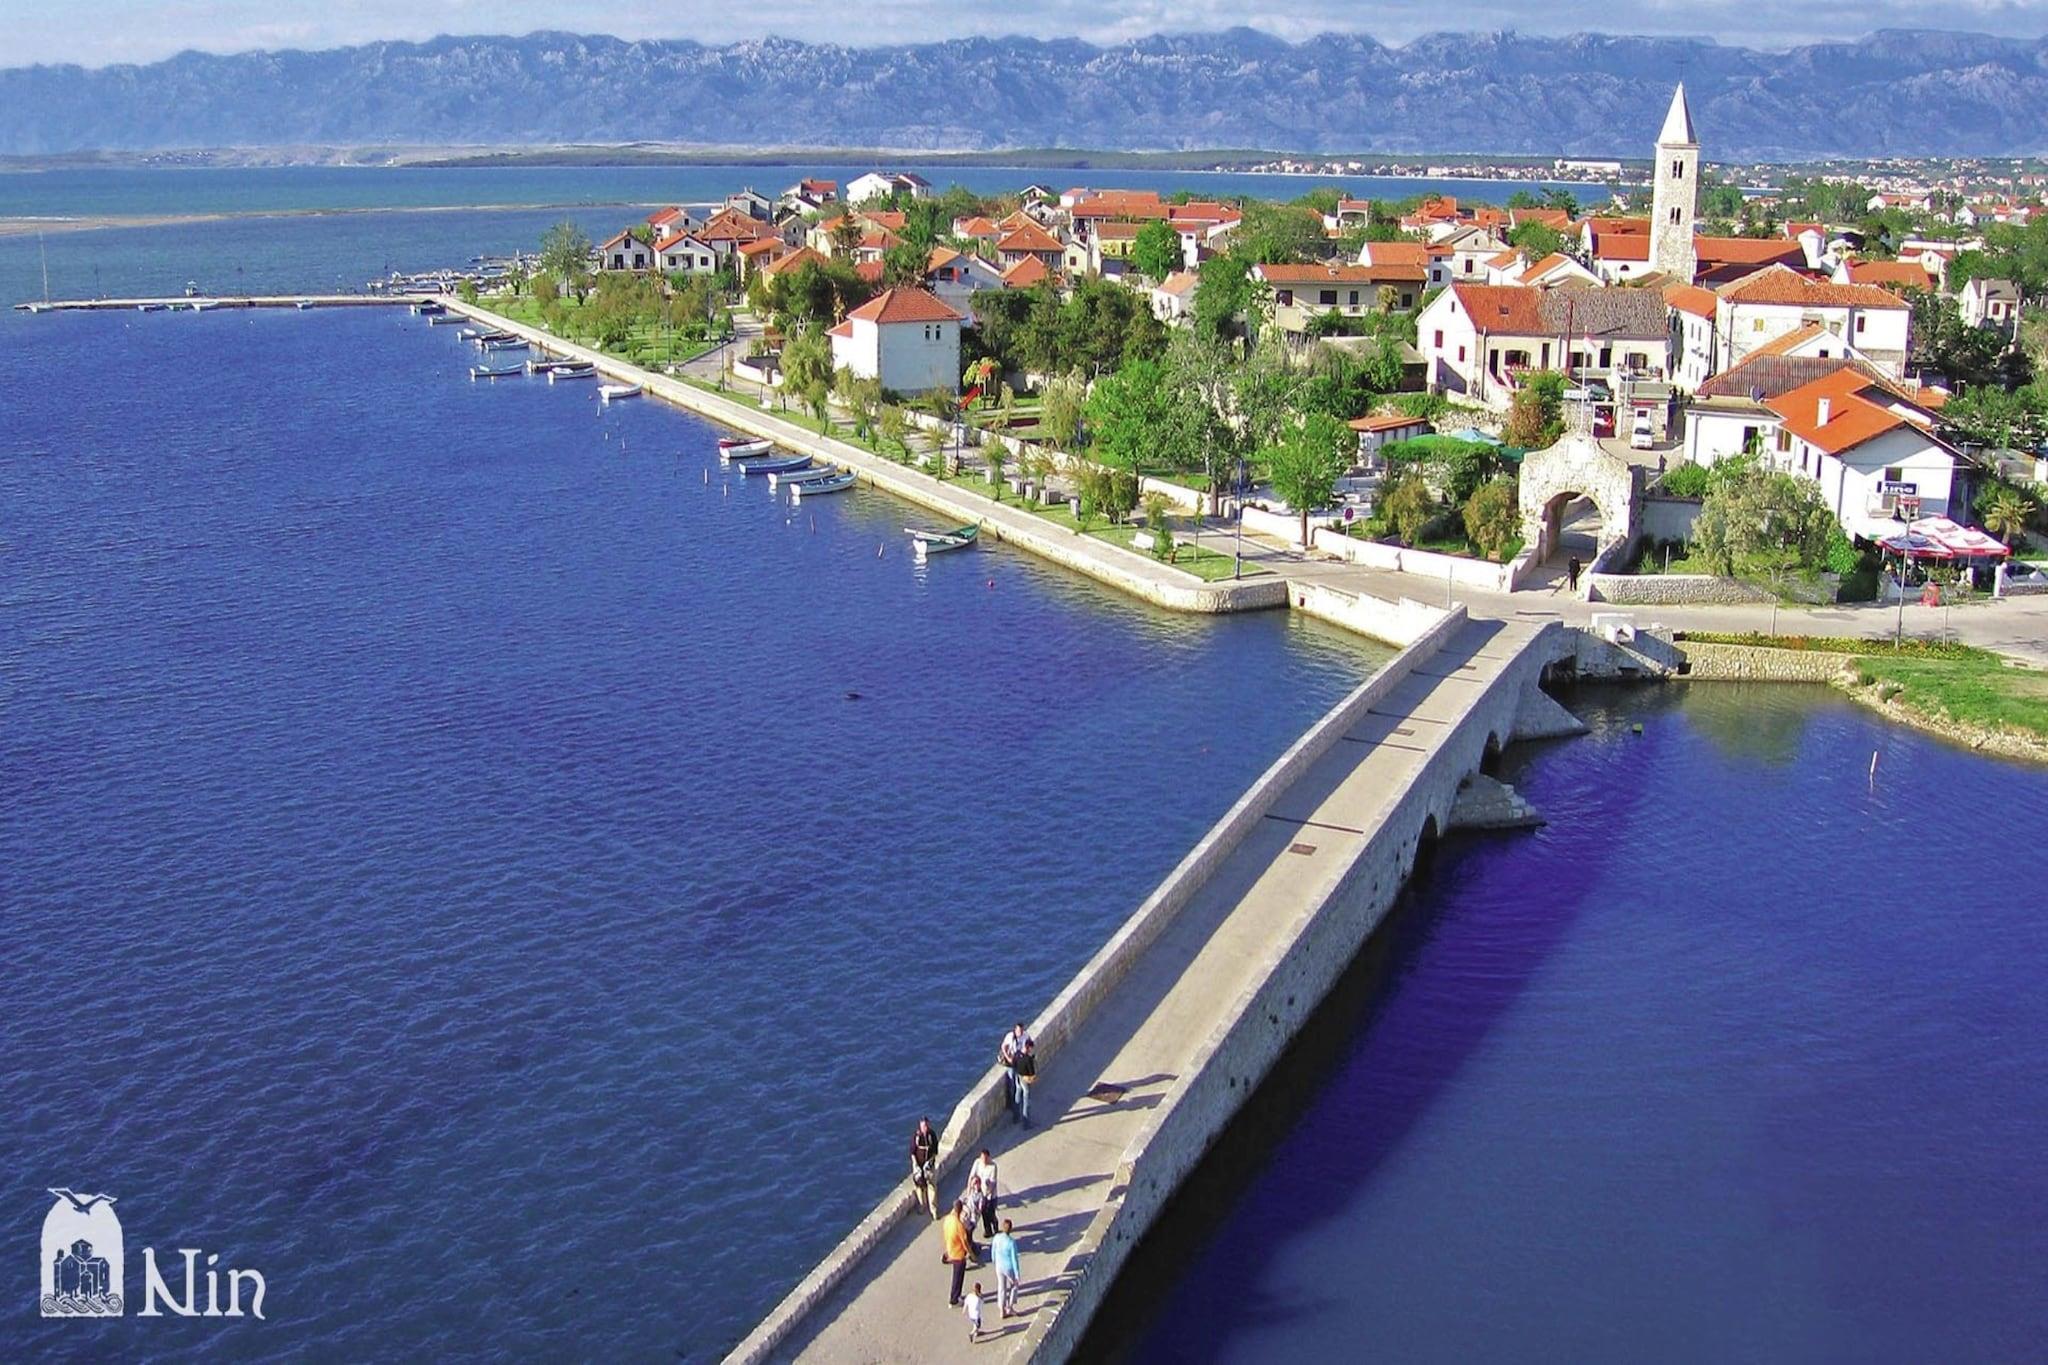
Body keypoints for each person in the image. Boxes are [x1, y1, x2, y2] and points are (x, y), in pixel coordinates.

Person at [940, 1200, 972, 1306]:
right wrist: (971, 1254)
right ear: (961, 1210)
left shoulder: (948, 1219)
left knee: (956, 1277)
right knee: (958, 1278)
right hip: (959, 1254)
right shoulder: (959, 1225)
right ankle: (954, 1299)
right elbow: (965, 1242)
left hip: (951, 1250)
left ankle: (956, 1296)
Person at [909, 1117, 940, 1220]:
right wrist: (916, 1165)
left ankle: (933, 1209)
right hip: (918, 1165)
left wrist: (930, 1162)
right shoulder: (916, 1136)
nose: (925, 1128)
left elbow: (935, 1151)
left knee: (932, 1186)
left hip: (929, 1165)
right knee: (919, 1186)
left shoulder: (932, 1135)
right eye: (923, 1126)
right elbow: (912, 1152)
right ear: (920, 1126)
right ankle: (922, 1205)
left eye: (926, 1126)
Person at [998, 1022, 1031, 1113]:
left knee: (1018, 1086)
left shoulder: (1025, 1036)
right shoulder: (1010, 1036)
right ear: (1015, 1030)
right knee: (1012, 1082)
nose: (1020, 1032)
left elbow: (1029, 1045)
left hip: (1020, 1063)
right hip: (1011, 1063)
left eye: (1021, 1031)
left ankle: (1016, 1108)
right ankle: (1012, 1104)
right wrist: (1008, 1058)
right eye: (1018, 1031)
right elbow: (1003, 1046)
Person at [992, 1219, 1021, 1319]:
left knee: (1001, 1288)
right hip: (1008, 1267)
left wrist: (994, 1261)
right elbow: (1014, 1259)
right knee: (1014, 1285)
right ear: (1010, 1229)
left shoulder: (997, 1238)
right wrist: (1017, 1274)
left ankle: (1002, 1310)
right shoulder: (1011, 1242)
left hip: (999, 1266)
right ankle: (1010, 1307)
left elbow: (993, 1251)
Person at [970, 1149, 999, 1239]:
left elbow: (993, 1183)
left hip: (990, 1196)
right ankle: (988, 1230)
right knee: (983, 1213)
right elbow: (971, 1176)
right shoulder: (977, 1163)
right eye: (982, 1158)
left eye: (986, 1159)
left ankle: (995, 1224)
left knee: (990, 1213)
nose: (984, 1161)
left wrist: (988, 1188)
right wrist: (970, 1189)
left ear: (989, 1157)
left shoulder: (993, 1166)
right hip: (981, 1194)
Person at [1013, 1038, 1038, 1127]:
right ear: (1029, 1048)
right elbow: (1032, 1073)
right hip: (1025, 1079)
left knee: (1017, 1094)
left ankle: (1016, 1117)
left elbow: (1014, 1064)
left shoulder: (1017, 1054)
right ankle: (1026, 1123)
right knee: (1026, 1099)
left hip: (1017, 1076)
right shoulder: (1028, 1059)